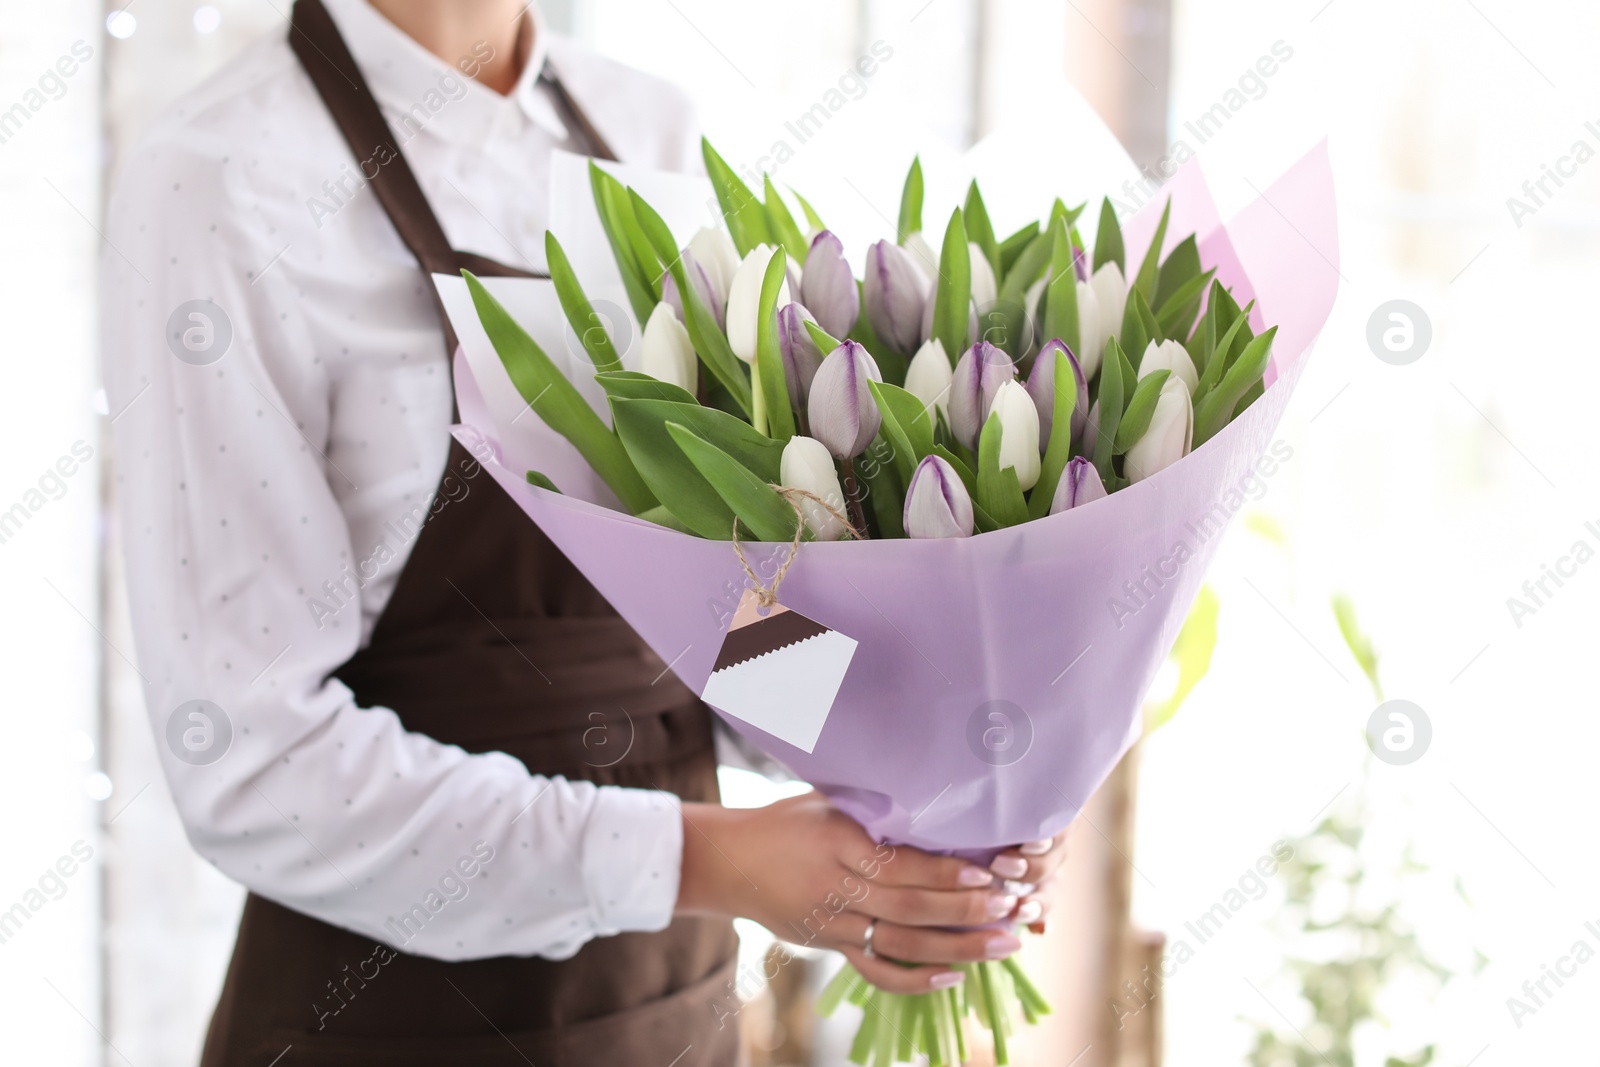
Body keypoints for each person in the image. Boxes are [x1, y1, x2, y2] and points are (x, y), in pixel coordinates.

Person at [101, 1, 1066, 1062]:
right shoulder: (219, 179)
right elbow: (252, 762)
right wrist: (713, 863)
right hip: (389, 1021)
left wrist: (927, 771)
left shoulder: (645, 128)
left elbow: (703, 617)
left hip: (671, 1007)